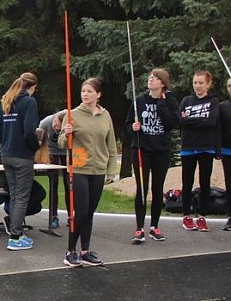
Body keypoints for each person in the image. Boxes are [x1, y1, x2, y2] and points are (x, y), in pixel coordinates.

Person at [58, 77, 118, 267]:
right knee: (81, 211)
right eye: (83, 91)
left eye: (90, 91)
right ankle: (70, 251)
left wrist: (111, 170)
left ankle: (85, 250)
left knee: (90, 212)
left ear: (98, 95)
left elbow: (111, 144)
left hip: (98, 168)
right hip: (79, 168)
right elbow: (60, 142)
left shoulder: (105, 116)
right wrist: (66, 133)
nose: (85, 94)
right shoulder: (72, 114)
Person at [126, 68, 180, 243]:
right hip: (142, 149)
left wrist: (162, 105)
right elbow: (128, 125)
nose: (151, 80)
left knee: (158, 188)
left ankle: (154, 226)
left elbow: (172, 123)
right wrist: (132, 128)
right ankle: (139, 228)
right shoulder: (139, 100)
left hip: (161, 151)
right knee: (142, 188)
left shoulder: (170, 100)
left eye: (155, 78)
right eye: (150, 77)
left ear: (162, 83)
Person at [0, 72, 39, 251]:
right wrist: (34, 147)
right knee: (22, 197)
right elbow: (30, 131)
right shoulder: (29, 102)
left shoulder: (6, 101)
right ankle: (15, 236)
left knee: (14, 195)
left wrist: (7, 143)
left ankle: (18, 233)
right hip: (22, 156)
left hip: (7, 155)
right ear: (32, 87)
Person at [178, 70, 220, 232]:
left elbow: (211, 122)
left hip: (206, 147)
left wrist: (190, 120)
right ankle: (187, 216)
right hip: (188, 147)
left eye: (201, 83)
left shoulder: (213, 101)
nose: (198, 86)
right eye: (195, 83)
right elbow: (180, 121)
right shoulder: (186, 100)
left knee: (205, 183)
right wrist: (194, 121)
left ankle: (202, 216)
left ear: (208, 84)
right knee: (187, 182)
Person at [38, 109, 69, 229]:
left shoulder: (71, 121)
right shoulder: (45, 122)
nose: (56, 127)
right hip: (52, 151)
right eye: (55, 124)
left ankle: (71, 216)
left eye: (59, 128)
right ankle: (53, 216)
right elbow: (39, 142)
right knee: (53, 183)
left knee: (69, 185)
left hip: (67, 151)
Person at [219, 77, 231, 231]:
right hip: (228, 151)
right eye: (230, 86)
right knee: (230, 185)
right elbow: (218, 129)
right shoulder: (223, 107)